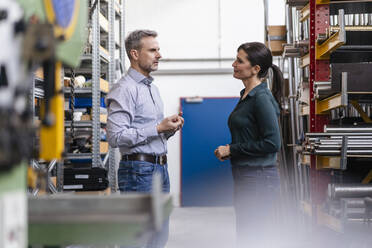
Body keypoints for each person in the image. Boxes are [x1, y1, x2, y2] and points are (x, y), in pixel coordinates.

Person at [106, 29, 184, 248]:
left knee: (159, 238)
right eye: (152, 50)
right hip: (138, 172)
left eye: (158, 50)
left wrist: (168, 129)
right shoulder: (124, 89)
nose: (159, 55)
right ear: (134, 54)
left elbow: (150, 133)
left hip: (159, 170)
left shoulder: (152, 89)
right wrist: (158, 127)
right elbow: (115, 137)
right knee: (139, 240)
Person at [214, 42, 283, 248]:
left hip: (258, 177)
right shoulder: (246, 96)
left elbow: (273, 143)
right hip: (248, 175)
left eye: (240, 61)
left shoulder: (260, 98)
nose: (234, 64)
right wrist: (231, 151)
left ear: (255, 69)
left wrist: (232, 149)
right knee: (247, 234)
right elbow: (251, 136)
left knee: (253, 236)